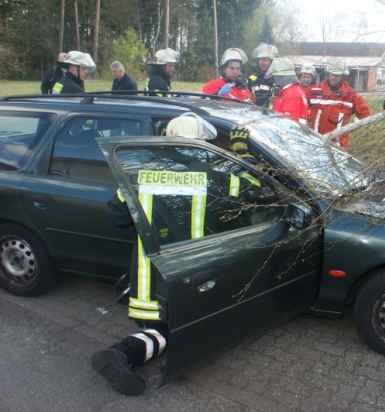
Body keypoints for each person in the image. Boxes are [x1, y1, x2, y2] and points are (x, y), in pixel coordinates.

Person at [91, 114, 260, 396]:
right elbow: (254, 188)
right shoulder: (215, 177)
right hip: (185, 276)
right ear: (202, 143)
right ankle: (120, 353)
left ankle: (122, 354)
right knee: (187, 330)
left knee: (166, 330)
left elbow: (118, 217)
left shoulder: (138, 173)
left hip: (145, 281)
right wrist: (241, 151)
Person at [308, 60, 371, 149]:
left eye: (337, 75)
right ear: (328, 74)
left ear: (342, 76)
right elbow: (302, 109)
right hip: (314, 142)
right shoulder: (315, 91)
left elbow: (365, 115)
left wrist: (351, 127)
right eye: (331, 74)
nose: (333, 77)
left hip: (338, 146)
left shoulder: (351, 95)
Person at [271, 58, 309, 125]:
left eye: (276, 77)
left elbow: (287, 123)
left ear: (282, 77)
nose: (275, 80)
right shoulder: (289, 90)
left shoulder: (292, 94)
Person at [248, 43, 278, 107]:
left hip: (270, 114)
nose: (262, 62)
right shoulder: (252, 77)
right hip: (254, 113)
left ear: (271, 62)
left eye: (265, 60)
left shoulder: (276, 78)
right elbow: (248, 94)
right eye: (261, 60)